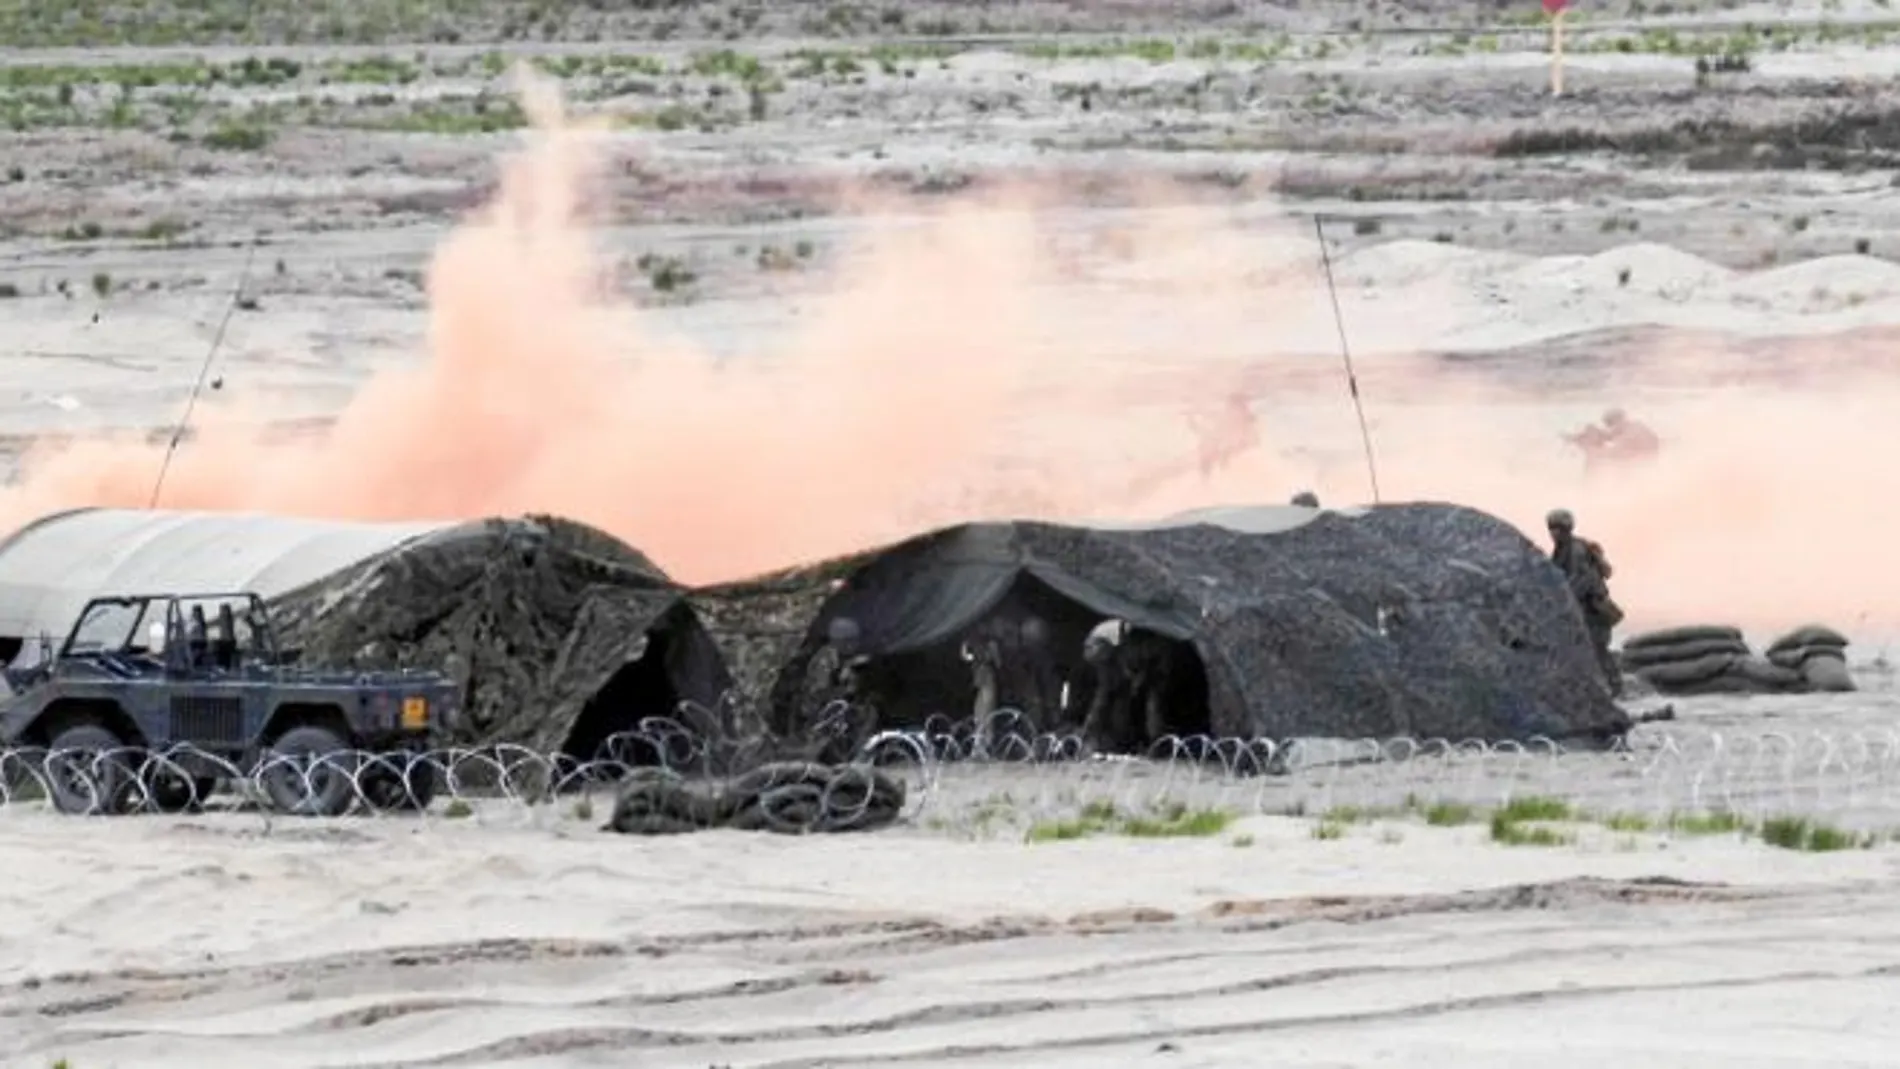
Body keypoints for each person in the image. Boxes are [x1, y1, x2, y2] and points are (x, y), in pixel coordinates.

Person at [1546, 508, 1625, 696]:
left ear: (1566, 529)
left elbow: (1581, 581)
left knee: (1597, 650)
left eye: (1557, 528)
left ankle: (1614, 689)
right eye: (1551, 528)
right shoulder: (1563, 550)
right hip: (1586, 610)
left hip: (1593, 612)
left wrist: (1563, 602)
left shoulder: (1576, 551)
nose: (1553, 533)